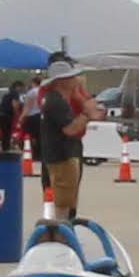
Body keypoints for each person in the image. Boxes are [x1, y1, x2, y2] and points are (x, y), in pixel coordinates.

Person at [29, 58, 89, 221]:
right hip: (61, 155)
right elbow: (70, 129)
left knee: (66, 200)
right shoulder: (55, 101)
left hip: (61, 154)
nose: (75, 80)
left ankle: (62, 226)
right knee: (63, 203)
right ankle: (60, 229)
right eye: (71, 77)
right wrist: (87, 114)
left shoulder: (55, 99)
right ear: (62, 81)